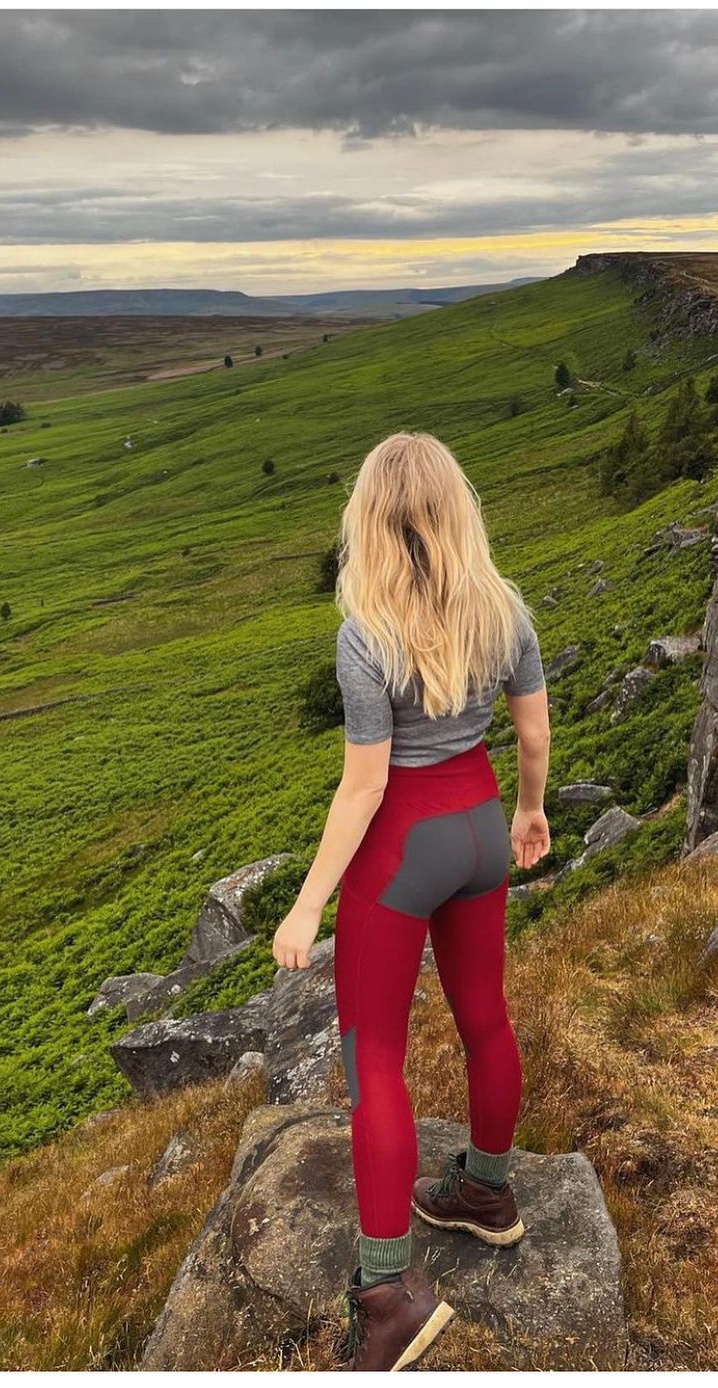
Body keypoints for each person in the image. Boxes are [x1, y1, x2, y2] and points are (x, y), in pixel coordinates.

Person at [272, 432, 551, 1372]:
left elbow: (363, 787)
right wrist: (529, 812)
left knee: (376, 1058)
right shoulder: (503, 608)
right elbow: (535, 731)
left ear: (374, 525)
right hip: (479, 825)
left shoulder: (367, 636)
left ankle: (387, 1294)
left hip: (402, 846)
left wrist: (307, 905)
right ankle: (488, 1190)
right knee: (484, 1018)